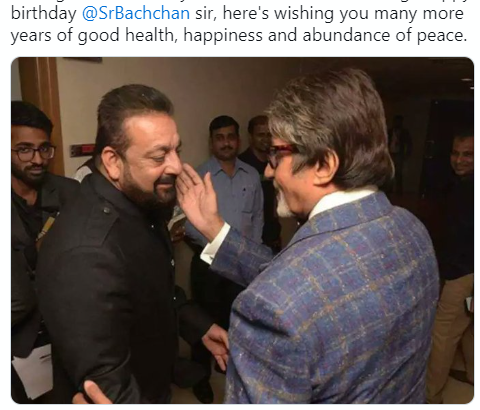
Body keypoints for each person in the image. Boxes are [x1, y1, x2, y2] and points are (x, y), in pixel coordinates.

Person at [72, 70, 440, 404]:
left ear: (324, 165)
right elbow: (308, 280)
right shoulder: (411, 229)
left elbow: (292, 292)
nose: (267, 171)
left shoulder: (271, 309)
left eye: (277, 154)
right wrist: (215, 229)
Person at [37, 85, 229, 404]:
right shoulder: (88, 254)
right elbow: (108, 387)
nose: (176, 166)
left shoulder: (139, 202)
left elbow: (150, 288)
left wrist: (199, 325)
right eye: (159, 156)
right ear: (113, 161)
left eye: (176, 150)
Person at [185, 115, 263, 403]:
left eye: (231, 136)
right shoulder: (199, 175)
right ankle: (200, 378)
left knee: (240, 322)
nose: (226, 142)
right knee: (203, 323)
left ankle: (234, 372)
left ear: (238, 140)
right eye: (220, 138)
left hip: (243, 265)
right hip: (208, 262)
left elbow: (257, 217)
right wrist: (220, 246)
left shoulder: (251, 175)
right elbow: (189, 224)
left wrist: (251, 254)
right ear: (212, 142)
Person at [11, 101, 79, 403]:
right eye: (24, 150)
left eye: (44, 149)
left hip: (68, 329)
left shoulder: (71, 192)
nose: (38, 159)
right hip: (15, 338)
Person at [426, 129, 474, 403]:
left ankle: (431, 395)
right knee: (469, 326)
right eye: (455, 153)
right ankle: (473, 374)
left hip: (464, 271)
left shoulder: (470, 189)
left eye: (468, 154)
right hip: (464, 268)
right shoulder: (461, 185)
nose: (459, 160)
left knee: (443, 333)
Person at [239, 115, 282, 251]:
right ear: (251, 137)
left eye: (269, 135)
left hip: (273, 235)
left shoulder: (277, 161)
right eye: (260, 135)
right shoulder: (242, 164)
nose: (266, 139)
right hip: (250, 239)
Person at [387, 115, 412, 195]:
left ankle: (399, 191)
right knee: (389, 173)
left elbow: (409, 144)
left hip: (398, 154)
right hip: (390, 153)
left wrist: (406, 154)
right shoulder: (390, 131)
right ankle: (389, 190)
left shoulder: (404, 132)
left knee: (398, 173)